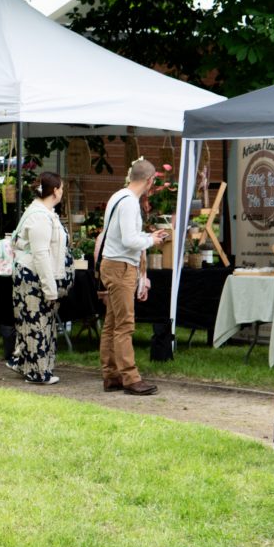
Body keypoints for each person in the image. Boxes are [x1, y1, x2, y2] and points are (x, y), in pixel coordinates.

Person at [97, 158, 168, 397]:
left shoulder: (118, 196)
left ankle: (111, 375)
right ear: (150, 180)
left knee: (112, 323)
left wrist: (147, 237)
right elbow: (129, 240)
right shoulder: (129, 203)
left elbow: (122, 235)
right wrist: (151, 240)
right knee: (124, 325)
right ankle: (130, 377)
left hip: (112, 264)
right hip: (121, 267)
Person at [6, 171, 70, 384]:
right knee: (37, 324)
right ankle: (38, 373)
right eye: (61, 188)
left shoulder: (42, 212)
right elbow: (41, 255)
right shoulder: (40, 216)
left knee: (35, 323)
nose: (62, 192)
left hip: (33, 276)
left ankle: (24, 363)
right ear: (55, 191)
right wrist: (50, 290)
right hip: (33, 277)